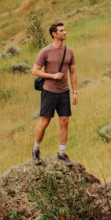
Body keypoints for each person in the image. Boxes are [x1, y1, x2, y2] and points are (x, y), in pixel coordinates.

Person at [31, 21, 78, 165]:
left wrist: (75, 92)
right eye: (61, 30)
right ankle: (35, 150)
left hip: (64, 92)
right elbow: (35, 71)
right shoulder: (45, 51)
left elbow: (73, 72)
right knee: (45, 122)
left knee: (65, 121)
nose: (65, 32)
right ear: (54, 34)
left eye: (65, 30)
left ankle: (62, 154)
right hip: (49, 91)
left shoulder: (69, 51)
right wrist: (52, 76)